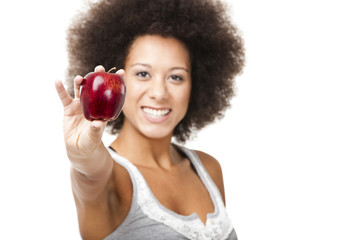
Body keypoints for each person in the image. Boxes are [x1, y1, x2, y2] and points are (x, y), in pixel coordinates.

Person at [55, 0, 244, 239]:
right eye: (143, 74)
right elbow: (91, 174)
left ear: (197, 85)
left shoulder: (207, 169)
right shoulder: (112, 178)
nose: (159, 93)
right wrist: (83, 155)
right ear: (120, 81)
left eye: (176, 77)